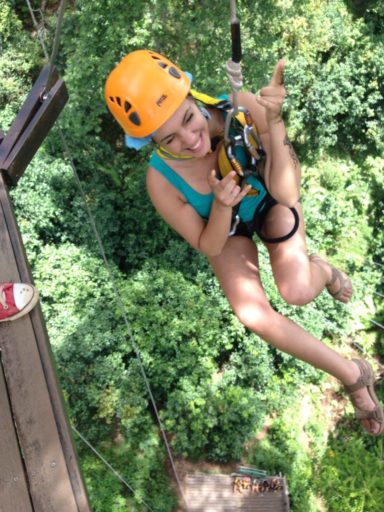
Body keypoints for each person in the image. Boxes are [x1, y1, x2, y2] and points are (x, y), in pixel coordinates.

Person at [105, 49, 383, 436]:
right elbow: (209, 245)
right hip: (223, 227)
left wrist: (274, 123)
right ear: (149, 141)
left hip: (269, 197)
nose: (191, 140)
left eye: (188, 118)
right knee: (251, 314)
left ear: (192, 96)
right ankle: (352, 375)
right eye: (169, 138)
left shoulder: (242, 109)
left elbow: (286, 194)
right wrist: (220, 206)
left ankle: (322, 270)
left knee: (298, 290)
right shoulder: (162, 181)